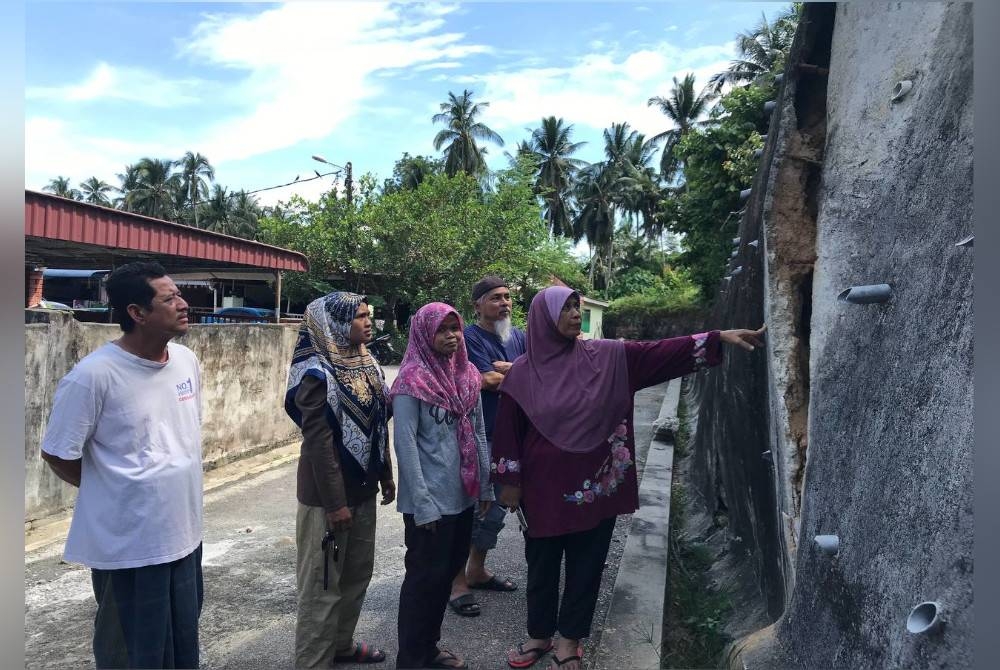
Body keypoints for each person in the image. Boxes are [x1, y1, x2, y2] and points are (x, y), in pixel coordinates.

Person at [495, 286, 766, 670]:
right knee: (540, 565)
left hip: (595, 487)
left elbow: (657, 352)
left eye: (577, 305)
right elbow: (508, 433)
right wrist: (509, 482)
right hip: (542, 492)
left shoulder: (607, 357)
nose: (576, 313)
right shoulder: (522, 373)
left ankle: (569, 641)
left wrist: (716, 338)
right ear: (544, 318)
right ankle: (539, 635)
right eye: (566, 308)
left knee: (587, 564)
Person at [40, 261, 205, 669]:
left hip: (184, 535)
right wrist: (113, 491)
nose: (183, 304)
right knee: (133, 651)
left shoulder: (185, 361)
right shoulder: (94, 376)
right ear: (137, 313)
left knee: (183, 643)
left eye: (179, 295)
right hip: (129, 545)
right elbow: (57, 451)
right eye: (170, 299)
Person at [285, 292, 396, 668]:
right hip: (328, 501)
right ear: (334, 323)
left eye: (368, 314)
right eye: (358, 316)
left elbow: (379, 425)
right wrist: (335, 504)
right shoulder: (317, 372)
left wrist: (386, 475)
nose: (367, 321)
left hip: (362, 491)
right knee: (322, 585)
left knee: (355, 575)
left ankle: (341, 646)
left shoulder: (367, 362)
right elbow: (319, 442)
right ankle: (313, 661)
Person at [390, 303, 493, 669]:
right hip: (428, 502)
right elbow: (405, 443)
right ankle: (412, 658)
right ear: (423, 333)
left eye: (456, 328)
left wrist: (484, 486)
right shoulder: (410, 382)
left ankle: (428, 648)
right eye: (442, 329)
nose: (452, 335)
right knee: (423, 582)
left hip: (462, 497)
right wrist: (423, 502)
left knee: (445, 578)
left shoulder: (467, 377)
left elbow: (479, 431)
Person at [448, 276, 525, 617]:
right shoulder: (468, 339)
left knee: (496, 510)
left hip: (515, 436)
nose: (504, 303)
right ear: (478, 305)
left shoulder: (518, 336)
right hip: (481, 435)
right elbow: (483, 380)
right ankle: (457, 583)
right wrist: (522, 375)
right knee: (472, 508)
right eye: (495, 298)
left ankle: (477, 569)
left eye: (507, 297)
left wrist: (512, 374)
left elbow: (539, 373)